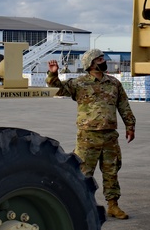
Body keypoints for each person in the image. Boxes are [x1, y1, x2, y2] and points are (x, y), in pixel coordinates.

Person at [47, 48, 136, 219]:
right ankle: (80, 206)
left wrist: (130, 125)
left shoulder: (114, 83)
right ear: (91, 63)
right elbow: (58, 89)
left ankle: (113, 205)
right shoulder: (79, 83)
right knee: (83, 172)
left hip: (110, 135)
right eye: (100, 59)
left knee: (111, 171)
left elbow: (123, 105)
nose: (104, 61)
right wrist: (53, 75)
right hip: (88, 136)